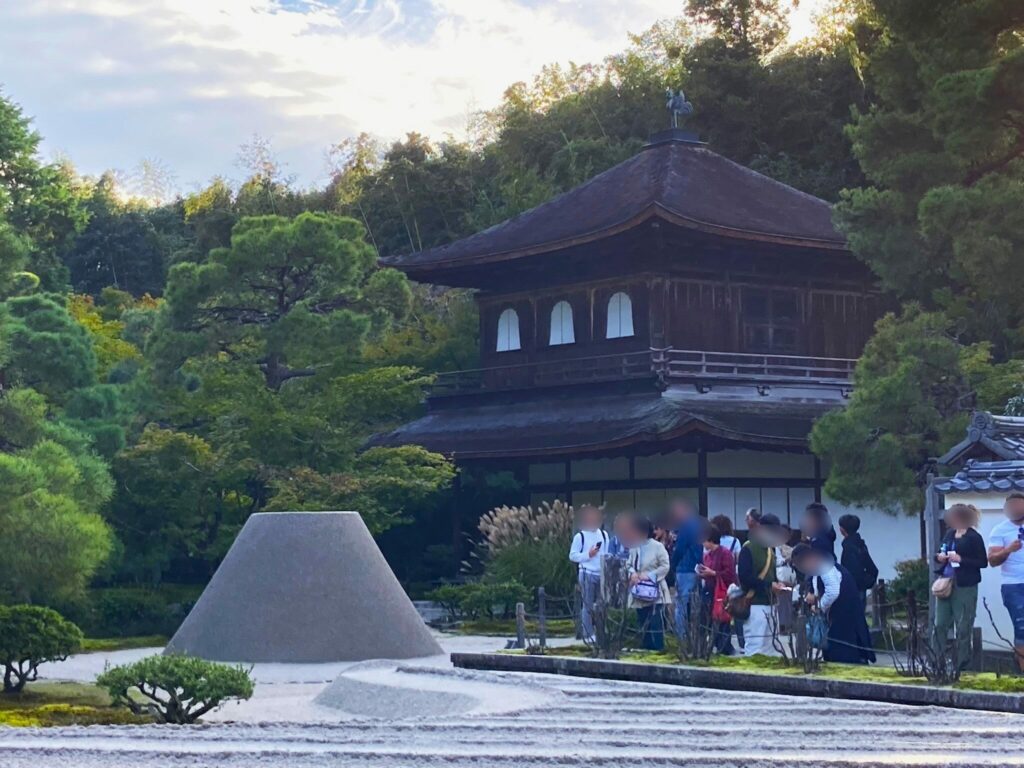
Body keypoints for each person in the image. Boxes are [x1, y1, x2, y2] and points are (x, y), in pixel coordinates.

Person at [790, 543, 876, 664]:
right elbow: (818, 586)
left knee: (845, 649)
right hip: (838, 614)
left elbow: (833, 591)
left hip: (844, 612)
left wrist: (820, 607)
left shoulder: (826, 566)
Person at [933, 503, 987, 671]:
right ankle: (937, 660)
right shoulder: (949, 534)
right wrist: (940, 557)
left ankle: (962, 663)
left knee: (963, 625)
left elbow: (982, 562)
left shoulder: (974, 537)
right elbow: (940, 551)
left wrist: (961, 559)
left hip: (965, 585)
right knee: (940, 623)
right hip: (946, 582)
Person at [736, 512, 787, 656]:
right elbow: (744, 577)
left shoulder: (770, 550)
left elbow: (772, 575)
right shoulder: (748, 548)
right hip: (754, 604)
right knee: (755, 648)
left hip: (771, 603)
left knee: (772, 647)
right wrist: (769, 586)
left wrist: (778, 584)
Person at [988, 491, 1024, 671]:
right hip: (1013, 585)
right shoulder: (1000, 530)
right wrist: (1008, 550)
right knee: (1022, 627)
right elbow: (992, 560)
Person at [626, 513, 672, 650]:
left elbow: (665, 566)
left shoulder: (658, 547)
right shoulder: (634, 546)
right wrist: (633, 573)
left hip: (655, 590)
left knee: (655, 621)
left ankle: (658, 648)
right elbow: (628, 564)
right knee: (642, 620)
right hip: (639, 590)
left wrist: (650, 575)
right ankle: (645, 647)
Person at [568, 504, 608, 643]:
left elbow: (607, 554)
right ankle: (588, 634)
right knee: (588, 605)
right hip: (586, 573)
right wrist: (588, 554)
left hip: (601, 574)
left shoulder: (604, 534)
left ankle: (602, 632)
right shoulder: (580, 537)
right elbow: (572, 556)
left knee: (602, 604)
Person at [697, 524, 736, 655]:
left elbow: (730, 574)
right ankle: (709, 647)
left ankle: (725, 649)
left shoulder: (725, 553)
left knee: (722, 621)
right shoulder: (707, 555)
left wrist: (713, 573)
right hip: (709, 590)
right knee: (706, 620)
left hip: (721, 592)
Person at [668, 499, 704, 641]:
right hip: (698, 568)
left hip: (685, 568)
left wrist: (673, 565)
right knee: (696, 604)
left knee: (681, 604)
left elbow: (680, 549)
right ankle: (696, 636)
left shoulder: (686, 526)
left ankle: (681, 637)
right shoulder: (699, 525)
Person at [838, 513, 879, 613]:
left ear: (843, 529)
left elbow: (853, 570)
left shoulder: (849, 548)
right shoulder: (860, 544)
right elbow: (871, 566)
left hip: (852, 588)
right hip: (860, 586)